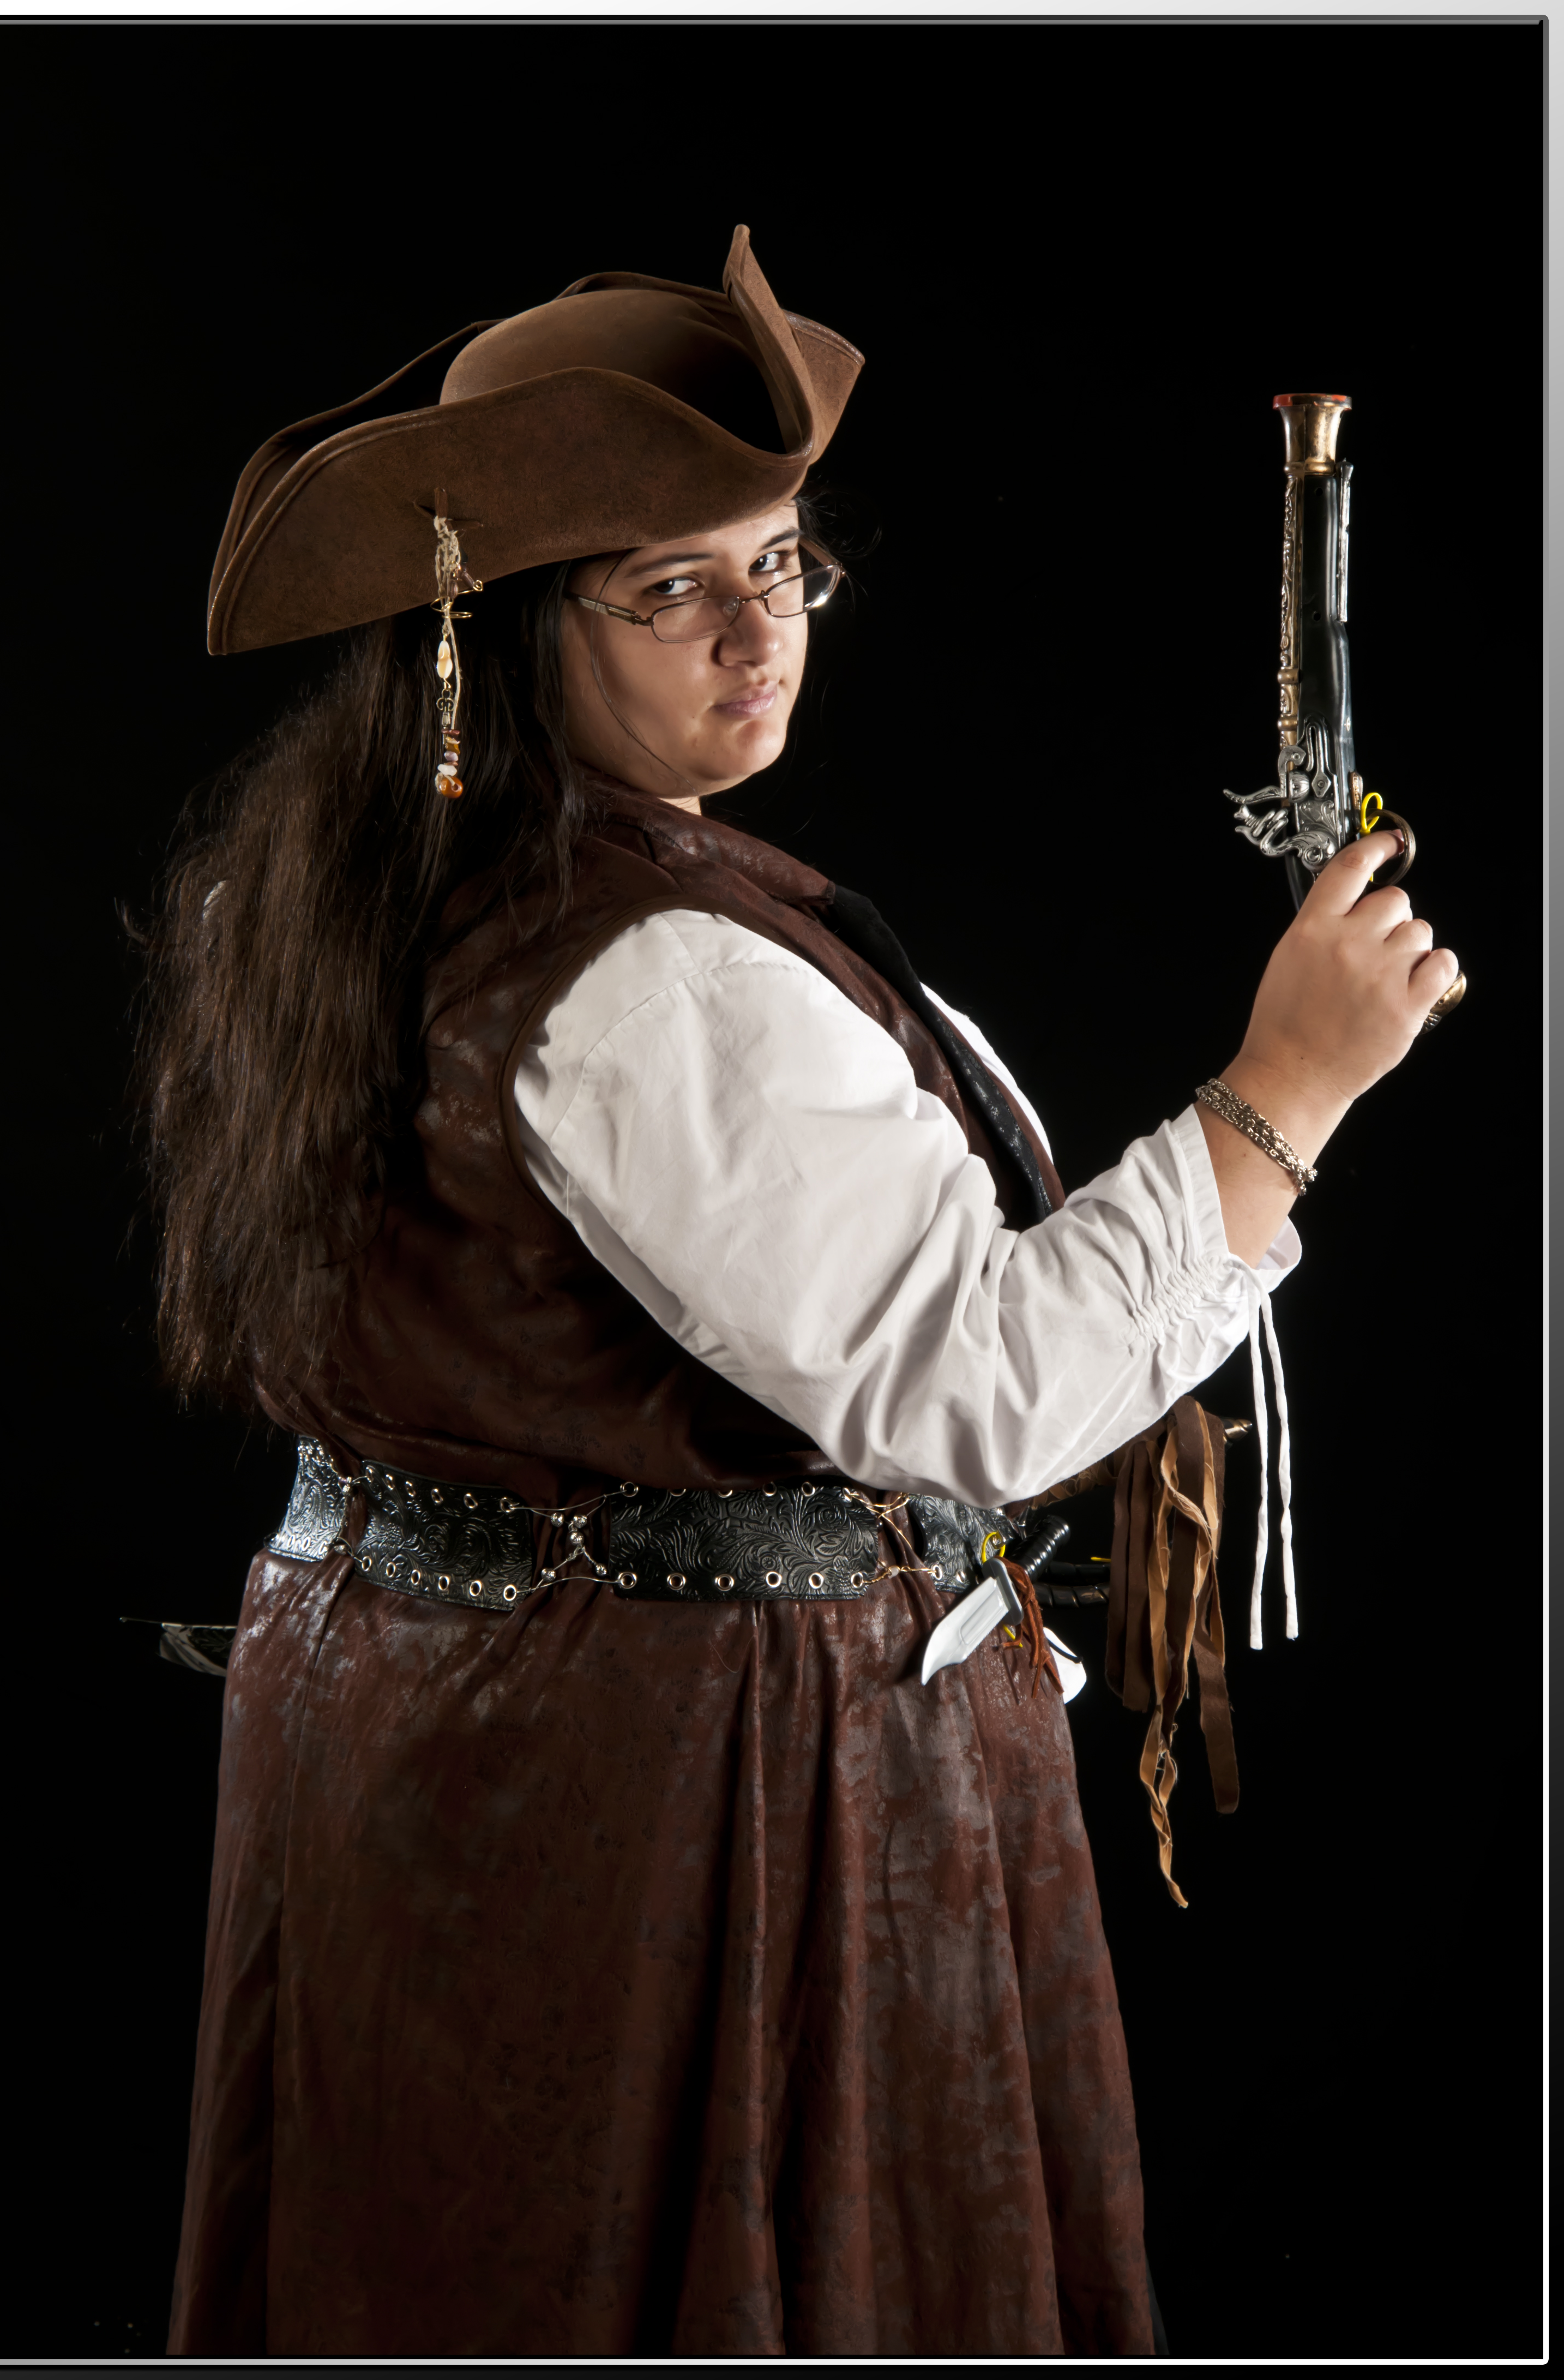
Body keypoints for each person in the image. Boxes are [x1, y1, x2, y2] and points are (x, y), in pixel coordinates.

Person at [148, 230, 1458, 2359]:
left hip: (463, 1750)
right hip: (680, 1798)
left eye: (782, 565)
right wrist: (1286, 1087)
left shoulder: (360, 880)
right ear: (496, 620)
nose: (760, 634)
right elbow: (987, 1386)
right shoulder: (642, 972)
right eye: (670, 587)